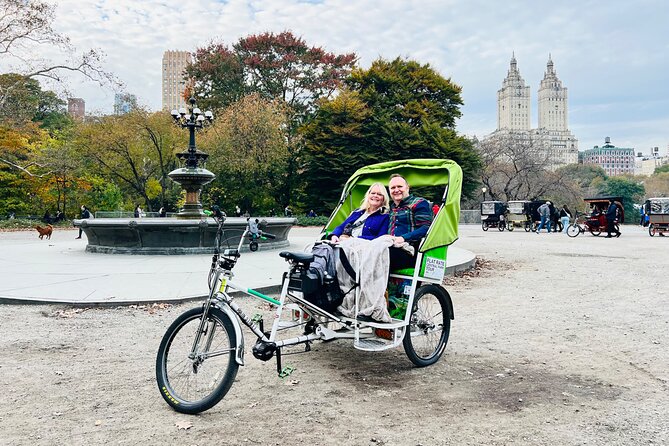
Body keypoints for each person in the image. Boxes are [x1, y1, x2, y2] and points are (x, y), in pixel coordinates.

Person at [387, 174, 433, 269]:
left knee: (379, 256)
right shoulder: (390, 208)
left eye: (400, 186)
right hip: (389, 247)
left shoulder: (419, 203)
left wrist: (403, 238)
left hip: (408, 251)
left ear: (407, 187)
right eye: (393, 188)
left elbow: (426, 228)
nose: (396, 190)